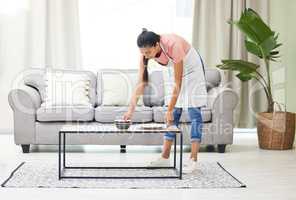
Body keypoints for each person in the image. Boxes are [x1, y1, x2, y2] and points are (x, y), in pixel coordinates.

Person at [123, 28, 207, 173]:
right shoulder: (145, 54)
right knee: (173, 114)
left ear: (156, 45)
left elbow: (178, 83)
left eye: (148, 52)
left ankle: (193, 160)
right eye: (143, 53)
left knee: (194, 113)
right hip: (174, 71)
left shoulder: (173, 45)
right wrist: (130, 110)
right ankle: (165, 157)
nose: (146, 56)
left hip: (192, 70)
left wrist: (168, 110)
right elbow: (141, 83)